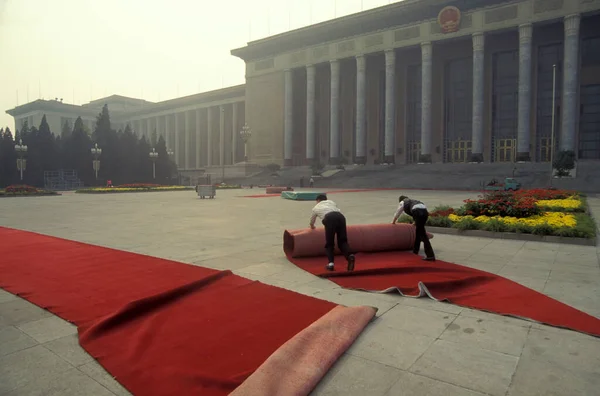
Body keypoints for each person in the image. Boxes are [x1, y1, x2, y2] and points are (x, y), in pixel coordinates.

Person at [309, 194, 355, 272]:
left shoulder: (316, 208)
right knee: (342, 241)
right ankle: (350, 256)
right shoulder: (331, 202)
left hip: (329, 219)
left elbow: (312, 221)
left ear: (318, 200)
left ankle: (331, 264)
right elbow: (336, 210)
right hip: (341, 217)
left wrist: (312, 226)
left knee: (329, 243)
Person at [392, 195, 435, 261]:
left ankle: (430, 255)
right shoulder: (414, 201)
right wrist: (415, 222)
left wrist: (393, 222)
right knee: (418, 233)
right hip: (424, 213)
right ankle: (415, 252)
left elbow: (398, 212)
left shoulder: (403, 202)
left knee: (423, 235)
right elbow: (422, 211)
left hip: (417, 212)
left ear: (400, 200)